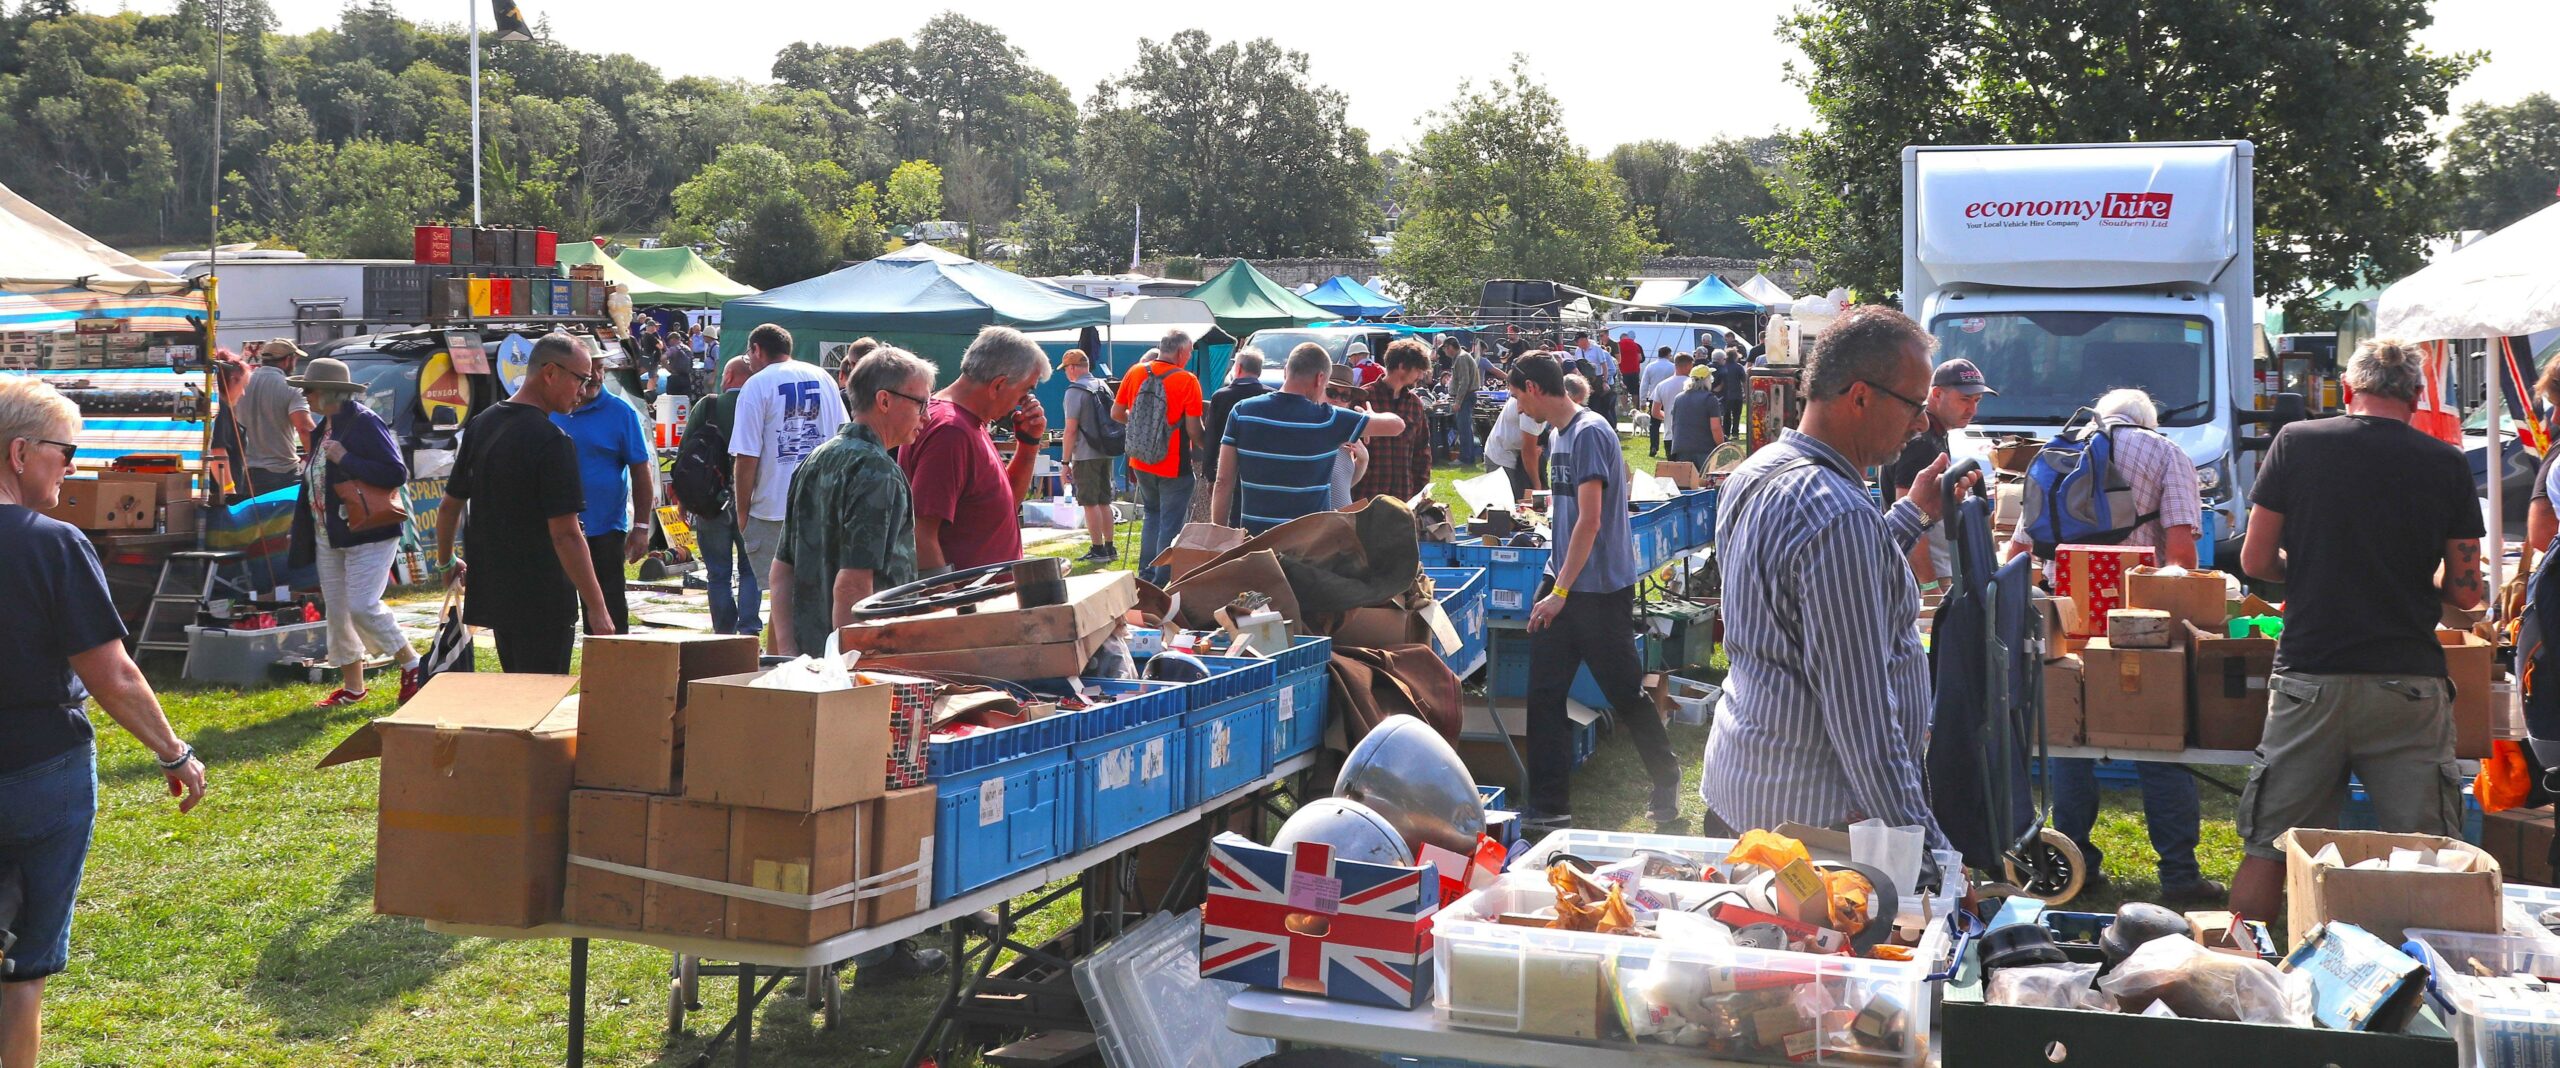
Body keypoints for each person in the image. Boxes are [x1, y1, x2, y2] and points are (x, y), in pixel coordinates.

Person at [2229, 338, 2485, 923]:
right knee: (2427, 856)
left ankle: (2236, 980)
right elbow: (2468, 592)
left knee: (2269, 845)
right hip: (2407, 682)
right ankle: (2423, 991)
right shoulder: (2445, 461)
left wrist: (2312, 571)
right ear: (2417, 398)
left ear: (2348, 391)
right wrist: (2424, 586)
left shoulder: (2297, 442)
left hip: (2310, 675)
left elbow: (2256, 560)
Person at [1704, 306, 1970, 848]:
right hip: (1814, 829)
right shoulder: (1838, 513)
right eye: (1914, 405)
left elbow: (1824, 585)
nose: (1921, 422)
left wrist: (1913, 512)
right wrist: (1928, 850)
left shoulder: (1759, 470)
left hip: (1748, 791)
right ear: (1860, 396)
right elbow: (1864, 725)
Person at [0, 375, 207, 1068]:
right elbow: (112, 673)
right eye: (67, 452)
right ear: (21, 453)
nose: (75, 467)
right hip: (40, 768)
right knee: (23, 966)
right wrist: (173, 753)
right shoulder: (52, 543)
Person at [2014, 389, 2219, 902]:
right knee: (2157, 738)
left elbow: (2020, 549)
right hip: (2138, 620)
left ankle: (2073, 863)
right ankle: (2178, 874)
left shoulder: (2059, 449)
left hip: (2066, 617)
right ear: (2148, 420)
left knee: (2070, 743)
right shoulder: (2167, 453)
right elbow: (2179, 549)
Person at [1507, 353, 1682, 831]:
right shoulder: (1560, 434)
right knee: (1543, 695)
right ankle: (1547, 809)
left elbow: (1591, 518)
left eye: (1518, 394)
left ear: (1534, 388)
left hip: (1597, 590)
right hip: (1562, 578)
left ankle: (1666, 779)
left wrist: (1559, 592)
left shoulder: (1589, 432)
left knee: (1624, 693)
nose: (1517, 405)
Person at [435, 333, 619, 673]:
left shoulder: (481, 423)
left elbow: (450, 505)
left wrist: (446, 563)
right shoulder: (553, 441)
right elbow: (565, 534)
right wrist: (597, 607)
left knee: (517, 696)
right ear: (550, 373)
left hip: (497, 593)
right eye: (581, 379)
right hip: (542, 598)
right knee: (538, 706)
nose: (583, 391)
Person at [770, 347, 932, 656]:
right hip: (860, 663)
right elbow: (853, 585)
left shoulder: (815, 459)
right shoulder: (879, 472)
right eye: (921, 403)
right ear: (884, 400)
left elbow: (782, 571)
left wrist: (788, 655)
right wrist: (850, 673)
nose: (926, 415)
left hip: (811, 661)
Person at [286, 357, 422, 708]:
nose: (306, 397)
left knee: (362, 605)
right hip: (329, 533)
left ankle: (412, 663)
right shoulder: (323, 427)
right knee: (338, 610)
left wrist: (345, 458)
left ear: (329, 393)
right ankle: (353, 687)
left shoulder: (363, 422)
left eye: (310, 391)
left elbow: (395, 472)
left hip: (368, 531)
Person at [1213, 343, 1406, 534]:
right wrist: (1369, 415)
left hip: (1255, 542)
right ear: (1320, 379)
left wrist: (1220, 536)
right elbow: (1397, 425)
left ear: (1286, 371)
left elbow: (1223, 481)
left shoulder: (1242, 411)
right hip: (1309, 546)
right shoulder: (1330, 419)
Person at [904, 326, 1051, 573]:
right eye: (1026, 390)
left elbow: (1001, 509)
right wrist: (947, 605)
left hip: (983, 603)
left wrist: (1028, 444)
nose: (1024, 401)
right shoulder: (951, 432)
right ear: (998, 385)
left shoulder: (967, 423)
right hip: (967, 605)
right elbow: (920, 535)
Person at [729, 325, 847, 598]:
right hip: (823, 503)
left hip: (773, 506)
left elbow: (746, 456)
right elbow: (843, 433)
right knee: (820, 592)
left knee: (781, 599)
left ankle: (784, 643)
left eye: (749, 356)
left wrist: (743, 511)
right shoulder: (824, 377)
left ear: (757, 349)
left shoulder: (756, 385)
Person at [552, 364, 656, 636]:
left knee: (608, 616)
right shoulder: (548, 408)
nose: (597, 376)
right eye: (589, 369)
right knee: (552, 616)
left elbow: (641, 470)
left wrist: (642, 527)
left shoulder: (620, 412)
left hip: (604, 530)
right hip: (554, 530)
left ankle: (613, 675)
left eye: (600, 368)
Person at [1889, 358, 1995, 593]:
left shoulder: (1936, 431)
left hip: (1935, 568)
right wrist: (1929, 586)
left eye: (1977, 400)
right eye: (1965, 399)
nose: (1972, 410)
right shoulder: (1922, 441)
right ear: (1936, 394)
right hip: (1923, 575)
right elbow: (1909, 511)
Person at [1113, 330, 1205, 584]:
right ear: (1180, 352)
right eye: (1188, 353)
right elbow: (1194, 430)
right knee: (1171, 523)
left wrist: (1144, 430)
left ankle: (1146, 574)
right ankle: (1162, 579)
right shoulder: (1187, 380)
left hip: (1141, 460)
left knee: (1152, 514)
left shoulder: (1135, 372)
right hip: (1173, 463)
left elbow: (1117, 412)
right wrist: (1211, 450)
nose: (1188, 358)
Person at [683, 356, 760, 636]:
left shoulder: (709, 405)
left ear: (727, 377)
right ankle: (750, 629)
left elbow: (685, 456)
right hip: (752, 499)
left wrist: (683, 500)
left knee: (718, 573)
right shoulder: (758, 404)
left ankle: (724, 634)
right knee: (750, 570)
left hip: (710, 500)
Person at [1057, 349, 1120, 562]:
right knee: (1104, 500)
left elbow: (1071, 430)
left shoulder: (1074, 391)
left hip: (1085, 454)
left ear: (1073, 368)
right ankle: (1110, 547)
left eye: (1066, 368)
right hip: (1105, 450)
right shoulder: (1103, 386)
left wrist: (1065, 462)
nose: (1066, 373)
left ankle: (1098, 549)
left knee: (1089, 502)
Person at [1352, 338, 1433, 504]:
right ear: (1402, 366)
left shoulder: (1415, 403)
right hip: (1365, 495)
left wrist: (1420, 492)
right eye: (1418, 369)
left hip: (1403, 495)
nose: (1420, 375)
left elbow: (1422, 451)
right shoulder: (1362, 397)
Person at [237, 340, 317, 497]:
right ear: (289, 359)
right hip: (280, 473)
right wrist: (318, 461)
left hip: (243, 472)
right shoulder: (291, 388)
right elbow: (304, 429)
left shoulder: (241, 384)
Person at [1204, 347, 1272, 525]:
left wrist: (1211, 474)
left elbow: (1212, 437)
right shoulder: (1270, 396)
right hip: (1261, 469)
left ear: (1238, 368)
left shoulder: (1221, 397)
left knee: (1232, 519)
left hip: (1228, 466)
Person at [1482, 386, 1550, 504]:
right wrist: (1537, 487)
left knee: (1520, 506)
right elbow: (1528, 452)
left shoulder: (1536, 401)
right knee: (1505, 508)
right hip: (1500, 456)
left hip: (1515, 454)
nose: (1519, 408)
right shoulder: (1531, 407)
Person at [207, 353, 250, 502]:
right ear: (232, 380)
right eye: (242, 386)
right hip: (219, 497)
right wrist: (229, 491)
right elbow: (217, 451)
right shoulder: (220, 408)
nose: (243, 393)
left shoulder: (216, 406)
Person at [1669, 364, 1726, 470]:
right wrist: (1722, 447)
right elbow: (1715, 428)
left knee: (1686, 483)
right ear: (1705, 380)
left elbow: (1675, 424)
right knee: (1708, 483)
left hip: (1681, 448)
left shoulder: (1678, 398)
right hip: (1704, 450)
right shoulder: (1710, 399)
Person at [1445, 336, 1484, 465]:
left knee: (1464, 429)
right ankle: (1469, 457)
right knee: (1466, 428)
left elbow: (1464, 381)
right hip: (1467, 396)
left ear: (1450, 347)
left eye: (1445, 348)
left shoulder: (1461, 358)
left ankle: (1465, 458)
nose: (1445, 352)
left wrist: (1458, 401)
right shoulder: (1462, 356)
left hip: (1466, 397)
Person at [1649, 353, 1694, 461]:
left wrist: (1669, 417)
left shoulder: (1662, 385)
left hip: (1670, 435)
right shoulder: (1694, 384)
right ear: (1688, 366)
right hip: (1691, 435)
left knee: (1674, 472)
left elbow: (1655, 412)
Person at [1640, 346, 1677, 456]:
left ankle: (1654, 446)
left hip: (1654, 397)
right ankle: (1671, 446)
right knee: (1671, 422)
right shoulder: (1673, 367)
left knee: (1654, 424)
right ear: (1668, 354)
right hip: (1670, 398)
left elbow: (1644, 384)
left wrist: (1642, 400)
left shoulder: (1650, 366)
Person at [1616, 330, 1645, 399]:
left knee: (1623, 391)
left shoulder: (1617, 345)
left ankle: (1625, 409)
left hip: (1623, 372)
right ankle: (1635, 408)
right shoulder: (1636, 345)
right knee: (1635, 391)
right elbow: (1640, 358)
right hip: (1634, 371)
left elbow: (1615, 359)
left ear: (1620, 338)